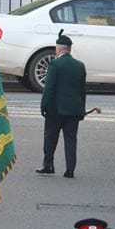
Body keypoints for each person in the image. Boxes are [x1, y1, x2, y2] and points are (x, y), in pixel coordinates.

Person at [37, 30, 87, 178]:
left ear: (58, 49)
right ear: (69, 49)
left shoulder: (54, 64)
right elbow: (82, 90)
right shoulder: (80, 66)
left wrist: (44, 106)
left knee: (50, 138)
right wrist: (82, 110)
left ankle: (48, 165)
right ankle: (70, 169)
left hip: (55, 110)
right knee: (71, 139)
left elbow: (49, 88)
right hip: (74, 110)